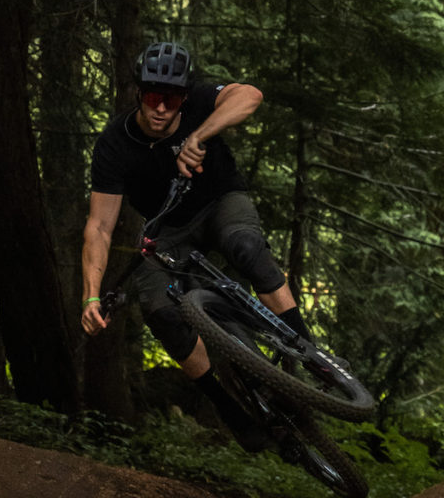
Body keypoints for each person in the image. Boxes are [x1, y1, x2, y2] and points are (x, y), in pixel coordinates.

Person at [80, 41, 303, 449]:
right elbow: (99, 227)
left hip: (219, 201)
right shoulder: (115, 142)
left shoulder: (199, 101)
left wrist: (198, 135)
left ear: (184, 95)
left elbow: (250, 95)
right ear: (138, 94)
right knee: (160, 311)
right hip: (166, 229)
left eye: (172, 99)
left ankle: (306, 357)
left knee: (246, 247)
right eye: (153, 97)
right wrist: (91, 295)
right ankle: (230, 409)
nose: (162, 108)